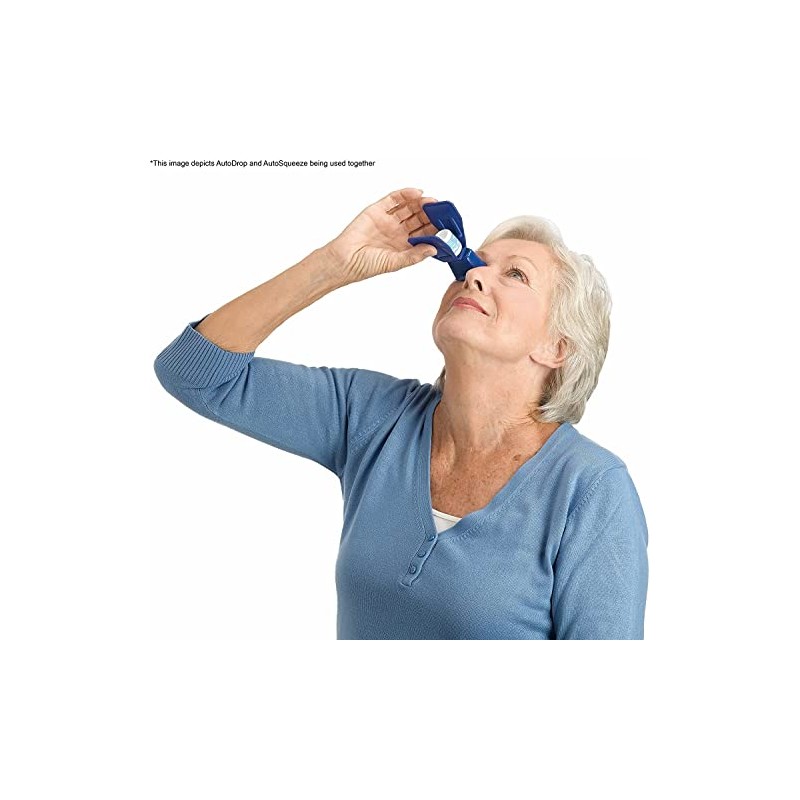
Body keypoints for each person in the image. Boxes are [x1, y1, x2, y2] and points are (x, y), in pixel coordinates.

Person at [154, 187, 649, 639]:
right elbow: (193, 372)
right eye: (476, 263)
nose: (472, 274)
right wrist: (334, 264)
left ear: (557, 346)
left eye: (515, 274)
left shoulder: (591, 490)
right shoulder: (372, 416)